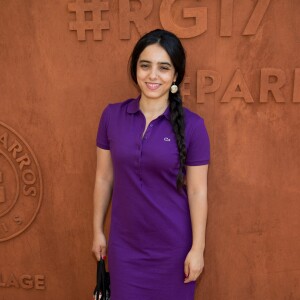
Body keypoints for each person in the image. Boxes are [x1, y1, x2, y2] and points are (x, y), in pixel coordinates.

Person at [92, 29, 210, 300]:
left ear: (176, 75)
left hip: (173, 250)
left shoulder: (194, 127)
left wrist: (197, 249)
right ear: (135, 69)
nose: (153, 75)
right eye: (145, 65)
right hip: (125, 248)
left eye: (163, 67)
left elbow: (197, 191)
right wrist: (97, 230)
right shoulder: (112, 116)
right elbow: (103, 178)